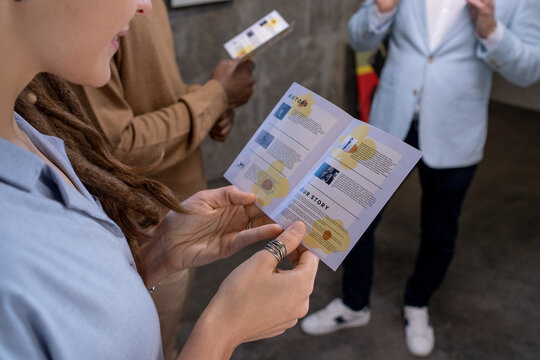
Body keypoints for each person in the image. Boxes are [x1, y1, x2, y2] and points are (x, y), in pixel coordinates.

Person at [0, 1, 319, 359]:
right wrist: (222, 331)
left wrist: (155, 257)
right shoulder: (10, 256)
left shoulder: (29, 131)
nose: (146, 6)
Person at [301, 0, 540, 357]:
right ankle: (353, 305)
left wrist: (492, 30)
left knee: (440, 232)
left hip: (456, 130)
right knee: (354, 218)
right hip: (389, 120)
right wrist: (380, 10)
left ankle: (417, 304)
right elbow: (359, 40)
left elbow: (528, 71)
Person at [68, 0, 255, 358]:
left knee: (165, 341)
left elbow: (149, 91)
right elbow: (114, 144)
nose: (146, 7)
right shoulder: (88, 18)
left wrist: (207, 105)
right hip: (139, 229)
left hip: (176, 217)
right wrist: (213, 97)